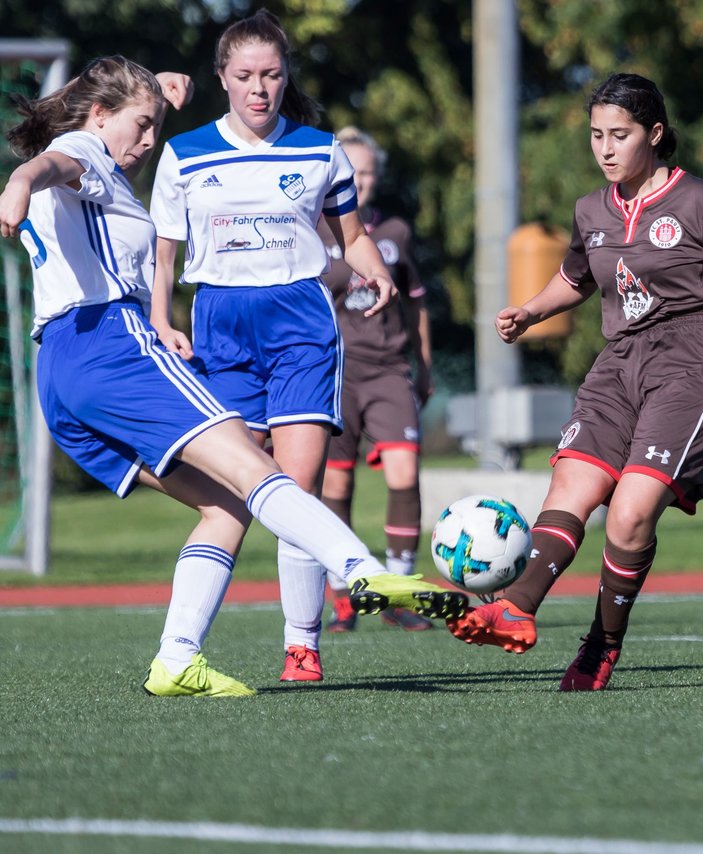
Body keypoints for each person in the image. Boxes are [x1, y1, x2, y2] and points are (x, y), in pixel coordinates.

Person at [0, 55, 463, 699]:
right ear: (100, 116)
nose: (150, 140)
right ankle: (364, 569)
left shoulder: (99, 134)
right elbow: (60, 161)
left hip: (62, 370)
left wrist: (155, 92)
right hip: (112, 344)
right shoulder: (81, 150)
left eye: (156, 125)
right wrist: (22, 179)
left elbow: (97, 127)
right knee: (257, 469)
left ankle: (176, 659)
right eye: (141, 125)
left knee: (225, 505)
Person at [146, 10, 464, 682]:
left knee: (299, 487)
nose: (260, 88)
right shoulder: (185, 153)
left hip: (300, 325)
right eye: (245, 76)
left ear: (285, 75)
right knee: (230, 496)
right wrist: (160, 321)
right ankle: (180, 652)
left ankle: (302, 644)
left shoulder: (320, 149)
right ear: (222, 79)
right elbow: (163, 258)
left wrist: (375, 268)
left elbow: (351, 239)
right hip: (219, 328)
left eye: (271, 74)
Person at [446, 72, 703, 691]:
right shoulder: (590, 209)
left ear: (654, 135)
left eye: (620, 135)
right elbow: (577, 279)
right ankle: (519, 605)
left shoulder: (702, 202)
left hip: (692, 355)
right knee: (571, 486)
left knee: (630, 514)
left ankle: (601, 645)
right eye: (597, 135)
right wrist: (530, 311)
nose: (605, 149)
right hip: (619, 360)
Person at [318, 126, 434, 633]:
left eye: (367, 172)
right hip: (336, 373)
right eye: (352, 172)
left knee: (404, 472)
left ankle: (398, 589)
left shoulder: (395, 234)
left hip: (389, 369)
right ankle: (344, 594)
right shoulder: (311, 232)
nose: (360, 180)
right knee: (336, 483)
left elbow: (415, 303)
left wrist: (423, 364)